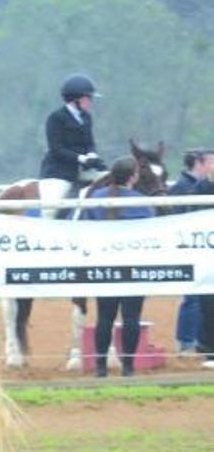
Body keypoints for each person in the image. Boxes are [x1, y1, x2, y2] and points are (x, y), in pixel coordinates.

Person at [81, 157, 154, 377]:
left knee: (104, 317)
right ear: (133, 177)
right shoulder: (141, 202)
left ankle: (101, 367)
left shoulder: (96, 197)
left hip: (105, 266)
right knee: (131, 317)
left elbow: (85, 227)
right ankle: (128, 367)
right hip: (133, 266)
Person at [167, 148, 213, 354]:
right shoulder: (187, 187)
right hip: (197, 250)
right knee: (195, 298)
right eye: (211, 161)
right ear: (200, 163)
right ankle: (188, 342)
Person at [38, 73, 108, 205]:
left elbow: (89, 142)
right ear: (76, 99)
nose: (90, 101)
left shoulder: (86, 117)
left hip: (82, 170)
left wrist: (92, 154)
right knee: (50, 207)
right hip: (59, 172)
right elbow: (56, 149)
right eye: (88, 98)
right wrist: (81, 158)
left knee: (110, 180)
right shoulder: (56, 118)